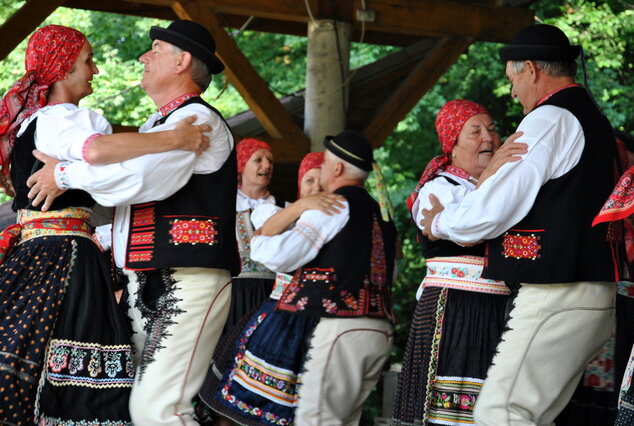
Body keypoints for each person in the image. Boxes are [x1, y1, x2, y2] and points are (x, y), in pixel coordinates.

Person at [26, 20, 239, 426]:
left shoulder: (196, 121)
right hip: (149, 280)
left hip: (189, 279)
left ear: (183, 60)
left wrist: (64, 176)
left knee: (158, 410)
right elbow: (128, 208)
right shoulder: (155, 127)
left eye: (155, 48)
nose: (144, 56)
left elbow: (138, 182)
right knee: (131, 405)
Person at [419, 24, 620, 425]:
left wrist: (440, 222)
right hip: (588, 288)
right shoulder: (589, 116)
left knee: (501, 412)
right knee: (530, 416)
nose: (512, 92)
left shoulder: (549, 118)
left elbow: (490, 212)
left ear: (530, 69)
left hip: (558, 291)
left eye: (512, 79)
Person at [247, 131, 397, 425]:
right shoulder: (377, 212)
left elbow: (279, 256)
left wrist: (262, 236)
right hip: (380, 330)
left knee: (316, 419)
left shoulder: (332, 205)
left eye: (326, 163)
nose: (323, 170)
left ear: (337, 168)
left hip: (343, 328)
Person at [391, 99, 525, 426]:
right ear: (452, 144)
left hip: (498, 307)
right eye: (475, 131)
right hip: (452, 306)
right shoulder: (439, 188)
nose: (489, 138)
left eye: (492, 129)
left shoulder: (503, 187)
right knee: (447, 403)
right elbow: (469, 229)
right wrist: (492, 175)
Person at [197, 151, 345, 425]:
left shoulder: (325, 217)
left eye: (321, 183)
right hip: (247, 297)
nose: (316, 190)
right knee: (236, 388)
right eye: (309, 182)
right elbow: (262, 240)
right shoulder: (277, 212)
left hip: (285, 303)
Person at [224, 138, 285, 334]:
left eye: (270, 161)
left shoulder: (284, 209)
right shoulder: (224, 206)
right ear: (242, 164)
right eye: (258, 159)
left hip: (274, 292)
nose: (266, 165)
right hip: (232, 294)